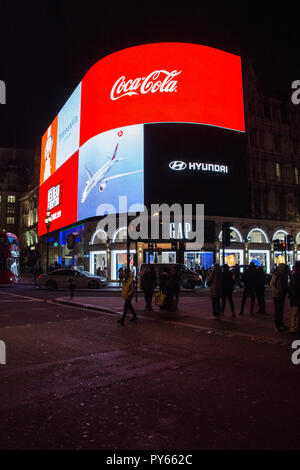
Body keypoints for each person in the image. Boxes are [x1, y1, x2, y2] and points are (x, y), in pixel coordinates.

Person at [270, 263, 289, 332]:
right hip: (277, 295)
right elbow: (272, 284)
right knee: (278, 310)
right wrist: (276, 290)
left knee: (280, 310)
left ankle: (280, 324)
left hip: (282, 294)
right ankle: (277, 325)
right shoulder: (276, 275)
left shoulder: (283, 275)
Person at [288, 261, 300, 333]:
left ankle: (295, 326)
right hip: (295, 297)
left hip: (295, 297)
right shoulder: (295, 276)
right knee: (295, 312)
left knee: (297, 312)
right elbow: (292, 288)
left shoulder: (294, 276)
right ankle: (293, 327)